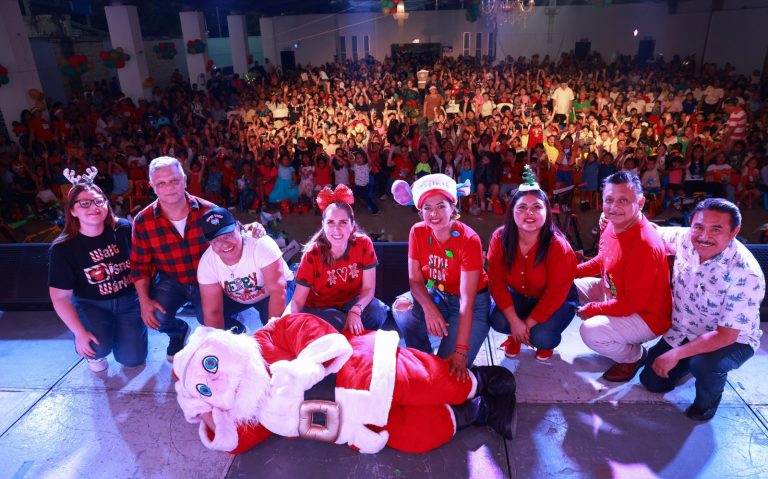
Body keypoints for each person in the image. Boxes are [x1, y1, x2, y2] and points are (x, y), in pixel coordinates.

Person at [173, 313, 518, 454]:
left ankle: (481, 381)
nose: (217, 378)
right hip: (354, 422)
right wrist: (205, 410)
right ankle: (480, 410)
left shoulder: (264, 339)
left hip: (366, 369)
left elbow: (307, 328)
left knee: (430, 383)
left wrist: (304, 369)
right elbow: (237, 440)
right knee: (422, 436)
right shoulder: (250, 408)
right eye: (206, 387)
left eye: (210, 364)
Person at [640, 199, 765, 420]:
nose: (704, 236)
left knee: (705, 365)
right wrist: (614, 216)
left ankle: (706, 405)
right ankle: (688, 360)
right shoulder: (685, 238)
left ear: (734, 231)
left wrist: (676, 354)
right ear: (691, 223)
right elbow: (648, 230)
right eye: (699, 226)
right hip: (685, 330)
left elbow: (725, 335)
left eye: (716, 229)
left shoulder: (746, 273)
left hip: (732, 339)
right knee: (651, 381)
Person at [390, 173, 491, 379]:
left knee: (448, 373)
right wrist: (429, 309)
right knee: (402, 308)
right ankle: (421, 354)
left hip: (471, 305)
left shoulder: (469, 239)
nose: (434, 213)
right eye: (427, 208)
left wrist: (461, 352)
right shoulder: (417, 232)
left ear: (452, 207)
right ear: (420, 211)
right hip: (438, 295)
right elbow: (415, 281)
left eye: (440, 206)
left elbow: (467, 301)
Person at [575, 171, 672, 382]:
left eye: (623, 200)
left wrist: (592, 309)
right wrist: (573, 271)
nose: (614, 206)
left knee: (590, 331)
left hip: (646, 315)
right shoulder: (613, 223)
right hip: (613, 292)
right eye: (609, 200)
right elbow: (604, 259)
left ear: (641, 202)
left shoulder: (644, 244)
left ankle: (633, 357)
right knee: (569, 285)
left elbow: (630, 304)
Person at [49, 168, 147, 372]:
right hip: (91, 304)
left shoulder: (124, 229)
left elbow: (144, 265)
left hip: (129, 301)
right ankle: (95, 352)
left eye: (98, 200)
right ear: (73, 210)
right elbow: (60, 298)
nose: (93, 207)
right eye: (84, 203)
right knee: (96, 347)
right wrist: (79, 333)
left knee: (133, 359)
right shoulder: (63, 248)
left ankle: (123, 337)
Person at [487, 168, 578, 361]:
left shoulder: (559, 247)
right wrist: (514, 322)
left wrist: (525, 326)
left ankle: (538, 337)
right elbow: (496, 283)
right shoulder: (500, 238)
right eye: (521, 207)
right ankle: (517, 335)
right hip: (521, 294)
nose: (529, 213)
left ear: (547, 211)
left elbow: (554, 295)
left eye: (537, 207)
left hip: (556, 300)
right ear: (512, 211)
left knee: (542, 337)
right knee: (498, 320)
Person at [283, 185, 388, 334]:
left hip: (349, 302)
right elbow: (297, 301)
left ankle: (361, 345)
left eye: (343, 223)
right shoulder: (313, 254)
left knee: (377, 311)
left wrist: (356, 310)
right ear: (323, 225)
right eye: (330, 222)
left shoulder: (364, 243)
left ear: (352, 225)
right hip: (318, 308)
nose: (336, 229)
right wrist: (282, 322)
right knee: (341, 323)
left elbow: (369, 289)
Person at [197, 207, 294, 332]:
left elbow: (278, 291)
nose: (225, 244)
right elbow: (212, 312)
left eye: (228, 235)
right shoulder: (207, 263)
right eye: (217, 241)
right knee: (204, 314)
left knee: (281, 328)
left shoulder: (260, 244)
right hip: (238, 296)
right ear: (209, 242)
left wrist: (270, 335)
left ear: (238, 227)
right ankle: (238, 333)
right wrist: (219, 343)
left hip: (272, 292)